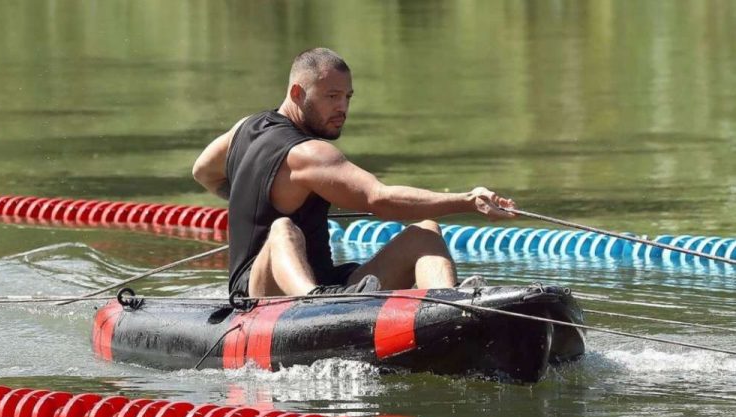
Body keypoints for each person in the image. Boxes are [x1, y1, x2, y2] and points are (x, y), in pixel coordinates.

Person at [192, 47, 516, 298]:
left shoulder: (243, 129)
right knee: (283, 231)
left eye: (347, 97)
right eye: (331, 97)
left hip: (330, 284)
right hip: (261, 295)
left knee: (425, 233)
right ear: (297, 94)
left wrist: (246, 202)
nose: (343, 108)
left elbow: (203, 172)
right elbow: (380, 199)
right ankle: (310, 305)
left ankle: (451, 307)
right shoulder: (310, 154)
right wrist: (469, 201)